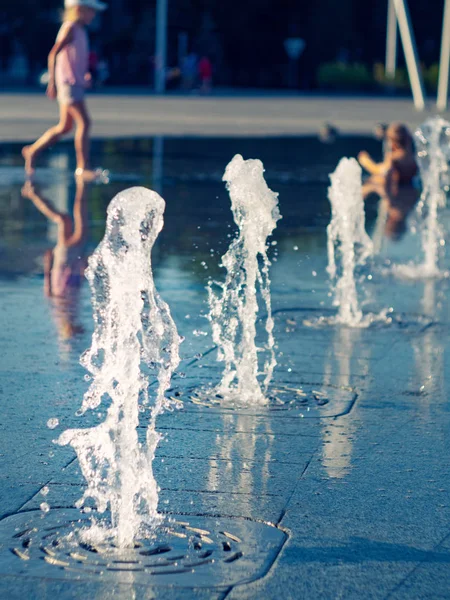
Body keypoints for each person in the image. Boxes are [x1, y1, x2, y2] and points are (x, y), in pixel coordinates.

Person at [22, 0, 107, 180]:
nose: (93, 15)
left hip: (74, 83)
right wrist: (52, 82)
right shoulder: (70, 28)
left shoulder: (80, 30)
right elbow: (54, 54)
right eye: (90, 11)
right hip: (68, 84)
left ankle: (32, 150)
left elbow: (74, 59)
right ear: (79, 10)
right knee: (84, 123)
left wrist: (84, 75)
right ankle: (82, 167)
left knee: (65, 126)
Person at [21, 175, 89, 340]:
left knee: (75, 219)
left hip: (67, 258)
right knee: (63, 220)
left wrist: (84, 264)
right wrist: (47, 265)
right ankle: (33, 194)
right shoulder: (60, 309)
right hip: (61, 259)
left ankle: (82, 185)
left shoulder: (66, 308)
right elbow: (48, 290)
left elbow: (72, 279)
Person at [359, 123, 418, 240]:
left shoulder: (394, 158)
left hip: (395, 188)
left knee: (371, 181)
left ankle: (365, 163)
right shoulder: (412, 156)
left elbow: (386, 174)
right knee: (373, 179)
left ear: (392, 142)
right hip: (408, 188)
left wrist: (366, 163)